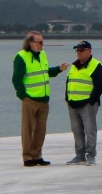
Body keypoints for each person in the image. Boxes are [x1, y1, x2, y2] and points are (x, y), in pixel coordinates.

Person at [13, 31, 65, 166]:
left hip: (44, 99)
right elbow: (16, 79)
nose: (42, 45)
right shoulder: (21, 57)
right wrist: (23, 96)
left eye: (43, 42)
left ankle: (37, 155)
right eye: (40, 42)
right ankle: (27, 157)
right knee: (27, 130)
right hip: (30, 99)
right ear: (31, 43)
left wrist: (59, 69)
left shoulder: (43, 55)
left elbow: (46, 73)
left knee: (40, 130)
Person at [61, 40, 102, 166]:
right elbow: (69, 82)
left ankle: (91, 155)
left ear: (89, 51)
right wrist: (67, 98)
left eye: (81, 50)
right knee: (76, 131)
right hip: (73, 104)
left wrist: (91, 101)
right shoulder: (74, 66)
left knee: (90, 130)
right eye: (77, 50)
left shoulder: (96, 65)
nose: (79, 53)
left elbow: (100, 86)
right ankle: (79, 155)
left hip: (87, 105)